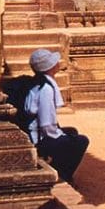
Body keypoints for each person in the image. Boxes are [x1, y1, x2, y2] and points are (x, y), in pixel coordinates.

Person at [24, 48, 89, 184]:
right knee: (81, 141)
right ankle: (62, 174)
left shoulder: (38, 82)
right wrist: (60, 136)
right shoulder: (46, 89)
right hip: (40, 138)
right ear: (50, 67)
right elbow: (46, 124)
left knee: (72, 132)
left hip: (35, 132)